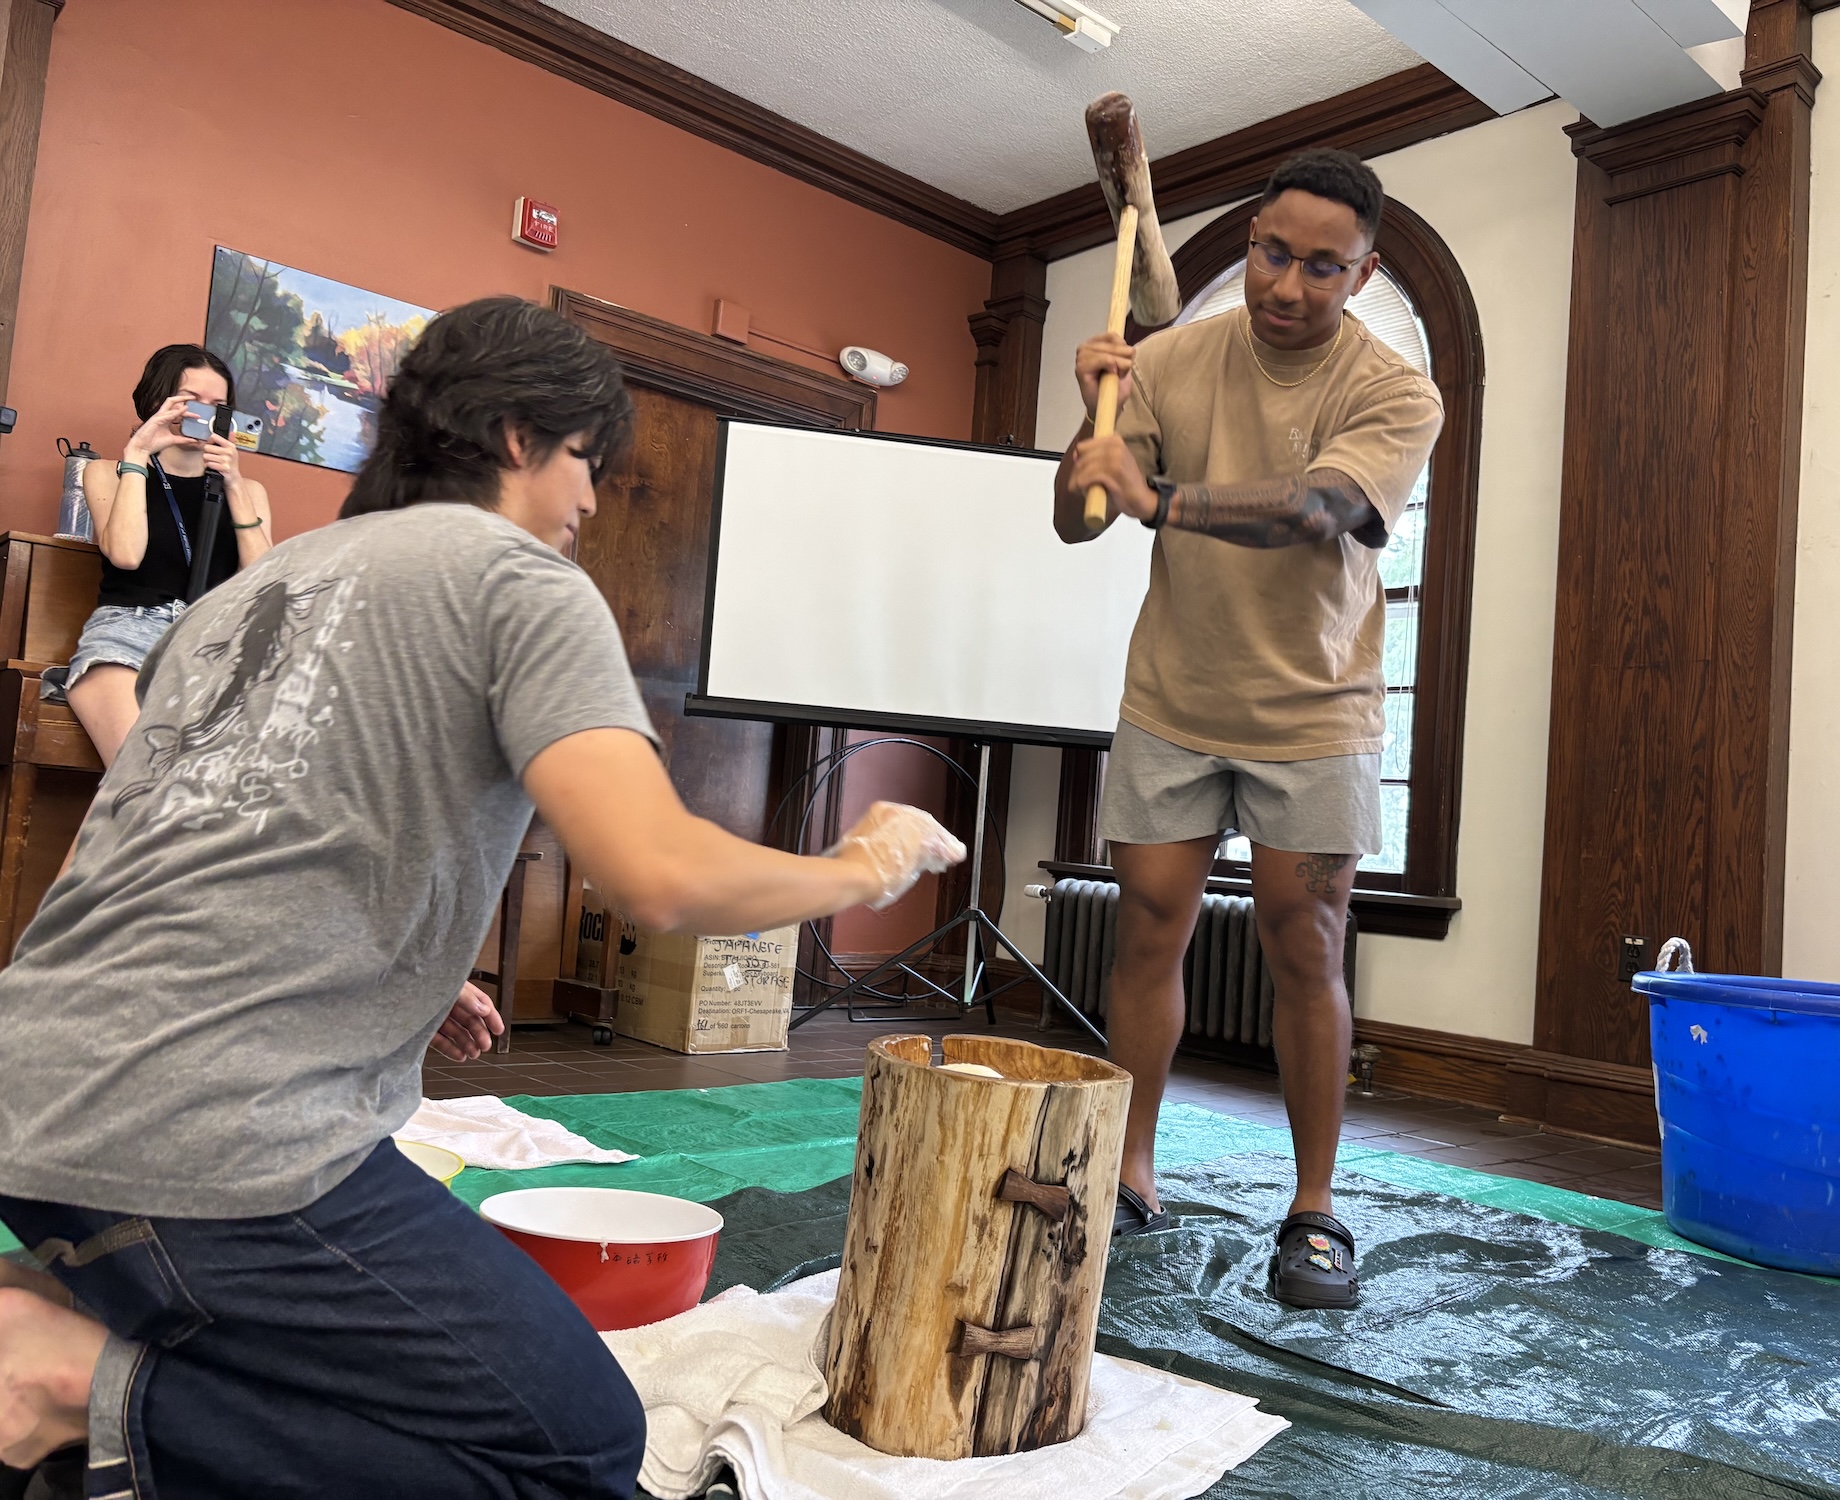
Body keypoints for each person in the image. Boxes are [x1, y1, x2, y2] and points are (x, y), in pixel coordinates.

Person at [0, 296, 964, 1497]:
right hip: (199, 1140)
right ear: (517, 438)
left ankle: (101, 1371)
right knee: (576, 1450)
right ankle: (73, 1384)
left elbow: (219, 839)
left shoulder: (259, 589)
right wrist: (859, 864)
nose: (593, 502)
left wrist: (415, 971)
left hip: (31, 1095)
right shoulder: (517, 581)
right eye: (584, 463)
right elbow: (657, 874)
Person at [1054, 148, 1443, 1310]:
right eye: (1272, 253)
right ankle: (1129, 1172)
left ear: (1360, 272)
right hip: (1172, 696)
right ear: (1248, 244)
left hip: (1316, 712)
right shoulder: (1168, 358)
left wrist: (1160, 498)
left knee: (1302, 943)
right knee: (1146, 934)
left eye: (1322, 267)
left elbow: (1320, 509)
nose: (1287, 285)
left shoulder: (1394, 389)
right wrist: (1098, 423)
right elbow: (1083, 522)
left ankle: (1314, 1209)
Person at [51, 344, 274, 767]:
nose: (205, 416)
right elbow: (126, 553)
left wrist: (234, 483)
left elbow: (261, 584)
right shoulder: (107, 473)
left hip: (212, 643)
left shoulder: (249, 493)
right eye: (191, 402)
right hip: (127, 635)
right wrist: (137, 453)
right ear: (160, 402)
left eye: (219, 407)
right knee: (142, 778)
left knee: (223, 790)